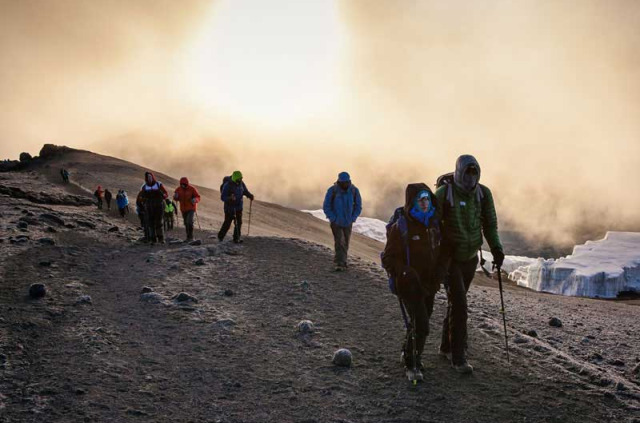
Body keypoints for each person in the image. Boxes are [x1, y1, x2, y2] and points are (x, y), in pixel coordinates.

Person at [435, 154, 504, 374]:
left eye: (474, 175)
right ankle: (458, 357)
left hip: (470, 258)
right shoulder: (444, 194)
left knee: (456, 303)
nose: (470, 179)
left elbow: (490, 224)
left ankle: (446, 347)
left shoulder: (483, 194)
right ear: (459, 172)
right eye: (467, 174)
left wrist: (496, 249)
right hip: (450, 259)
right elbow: (432, 226)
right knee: (461, 305)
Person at [382, 183, 441, 382]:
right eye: (420, 199)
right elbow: (388, 258)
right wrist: (404, 272)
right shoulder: (402, 226)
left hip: (429, 284)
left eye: (427, 198)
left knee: (419, 322)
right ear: (412, 202)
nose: (425, 203)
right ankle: (412, 365)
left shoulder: (433, 222)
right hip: (409, 286)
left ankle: (408, 352)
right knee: (422, 325)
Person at [322, 172, 362, 271]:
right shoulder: (333, 190)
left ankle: (341, 260)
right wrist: (333, 218)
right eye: (343, 182)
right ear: (339, 181)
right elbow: (326, 205)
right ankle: (340, 263)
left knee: (346, 242)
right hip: (336, 221)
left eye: (346, 182)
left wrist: (353, 218)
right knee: (340, 241)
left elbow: (358, 206)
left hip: (348, 221)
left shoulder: (354, 191)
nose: (345, 184)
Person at [218, 171, 254, 243]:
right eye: (239, 179)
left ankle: (236, 238)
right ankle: (220, 237)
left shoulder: (241, 184)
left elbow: (245, 191)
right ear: (235, 178)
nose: (240, 180)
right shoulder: (228, 185)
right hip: (229, 208)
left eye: (241, 178)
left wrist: (249, 195)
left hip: (238, 207)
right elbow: (222, 197)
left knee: (239, 223)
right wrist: (229, 198)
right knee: (227, 223)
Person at [138, 172, 168, 244]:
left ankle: (161, 239)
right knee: (151, 223)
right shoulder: (144, 187)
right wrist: (143, 200)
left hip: (159, 206)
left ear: (152, 177)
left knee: (159, 222)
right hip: (149, 207)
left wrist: (163, 195)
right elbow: (140, 197)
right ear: (146, 178)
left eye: (150, 177)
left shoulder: (158, 184)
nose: (149, 178)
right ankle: (153, 239)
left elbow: (166, 193)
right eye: (148, 177)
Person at [173, 177, 201, 241]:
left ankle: (190, 237)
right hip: (183, 209)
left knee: (189, 221)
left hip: (191, 208)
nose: (183, 185)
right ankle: (188, 237)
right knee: (186, 223)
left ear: (187, 183)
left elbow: (198, 197)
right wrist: (175, 197)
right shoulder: (178, 189)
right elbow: (175, 198)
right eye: (182, 184)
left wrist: (195, 200)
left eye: (184, 184)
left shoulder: (192, 189)